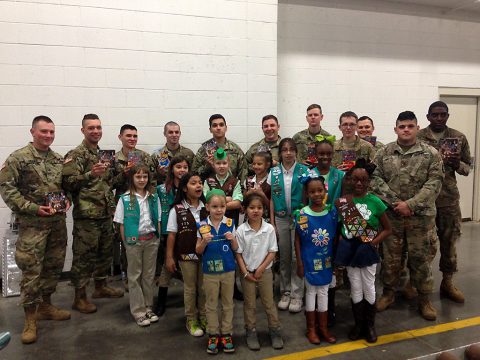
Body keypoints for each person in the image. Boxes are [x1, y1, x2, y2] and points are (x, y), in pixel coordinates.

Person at [0, 116, 71, 344]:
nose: (48, 136)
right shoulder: (18, 158)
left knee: (53, 267)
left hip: (56, 225)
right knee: (32, 272)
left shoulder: (58, 159)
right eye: (44, 132)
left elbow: (66, 186)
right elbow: (7, 189)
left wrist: (67, 200)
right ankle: (30, 318)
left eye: (51, 132)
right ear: (32, 131)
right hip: (33, 226)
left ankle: (46, 306)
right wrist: (32, 208)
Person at [370, 111, 444, 321]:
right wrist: (396, 203)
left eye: (410, 126)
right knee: (391, 259)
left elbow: (435, 183)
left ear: (417, 128)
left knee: (420, 260)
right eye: (402, 126)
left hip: (420, 218)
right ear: (396, 129)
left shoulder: (431, 154)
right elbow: (375, 179)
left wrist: (410, 204)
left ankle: (424, 299)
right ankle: (389, 293)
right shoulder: (384, 153)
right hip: (392, 217)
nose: (406, 130)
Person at [63, 114, 124, 315]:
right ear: (83, 130)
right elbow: (68, 183)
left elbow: (110, 183)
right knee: (84, 256)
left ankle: (100, 287)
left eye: (98, 127)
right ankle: (79, 298)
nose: (95, 131)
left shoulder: (104, 155)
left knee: (104, 252)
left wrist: (124, 173)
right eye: (91, 128)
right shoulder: (76, 154)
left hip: (106, 213)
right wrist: (91, 174)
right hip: (87, 216)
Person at [335, 159, 392, 343]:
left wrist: (373, 242)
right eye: (355, 179)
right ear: (349, 180)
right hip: (350, 249)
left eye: (363, 180)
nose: (359, 183)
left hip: (367, 249)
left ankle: (369, 325)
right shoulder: (344, 202)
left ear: (369, 182)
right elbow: (340, 226)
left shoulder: (375, 201)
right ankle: (358, 324)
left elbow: (387, 229)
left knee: (369, 286)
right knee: (355, 286)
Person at [113, 164, 161, 327]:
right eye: (138, 177)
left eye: (145, 177)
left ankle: (148, 306)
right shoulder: (124, 199)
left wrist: (158, 238)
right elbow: (120, 223)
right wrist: (126, 244)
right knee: (134, 276)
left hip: (151, 240)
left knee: (149, 275)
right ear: (132, 179)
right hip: (133, 241)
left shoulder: (153, 197)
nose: (142, 180)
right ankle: (138, 310)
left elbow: (158, 219)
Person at [235, 191, 283, 351]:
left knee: (269, 303)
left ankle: (275, 330)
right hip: (247, 273)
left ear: (264, 210)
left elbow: (272, 251)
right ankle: (251, 331)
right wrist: (246, 272)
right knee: (249, 304)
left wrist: (261, 269)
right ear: (245, 209)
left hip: (265, 273)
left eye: (259, 208)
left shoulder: (269, 229)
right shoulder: (241, 230)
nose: (255, 211)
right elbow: (238, 254)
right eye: (251, 207)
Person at [113, 124, 157, 291]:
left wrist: (150, 198)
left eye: (134, 136)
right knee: (127, 243)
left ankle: (146, 279)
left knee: (147, 242)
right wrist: (124, 173)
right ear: (120, 137)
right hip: (125, 205)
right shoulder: (114, 159)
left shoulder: (144, 157)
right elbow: (108, 183)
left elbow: (152, 181)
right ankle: (128, 278)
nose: (132, 139)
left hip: (144, 202)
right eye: (128, 136)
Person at [294, 175, 337, 345]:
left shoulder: (332, 212)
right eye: (312, 191)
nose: (317, 194)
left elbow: (334, 238)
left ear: (325, 190)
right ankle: (311, 329)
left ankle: (323, 328)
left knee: (324, 292)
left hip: (326, 260)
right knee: (311, 292)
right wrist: (299, 262)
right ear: (307, 193)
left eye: (320, 190)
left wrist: (335, 260)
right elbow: (297, 240)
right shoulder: (302, 214)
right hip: (309, 260)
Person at [269, 138, 310, 313]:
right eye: (284, 150)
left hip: (298, 218)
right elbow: (271, 198)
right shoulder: (274, 172)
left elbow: (308, 196)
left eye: (291, 149)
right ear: (280, 153)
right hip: (280, 219)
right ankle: (285, 291)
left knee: (296, 256)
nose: (288, 153)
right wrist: (272, 223)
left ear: (296, 152)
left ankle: (297, 294)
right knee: (284, 256)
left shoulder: (304, 171)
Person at [196, 189, 239, 354]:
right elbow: (198, 251)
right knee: (211, 304)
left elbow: (236, 248)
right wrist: (204, 243)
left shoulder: (230, 223)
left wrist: (233, 239)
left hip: (228, 270)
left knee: (228, 303)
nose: (218, 209)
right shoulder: (202, 226)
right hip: (210, 272)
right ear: (207, 207)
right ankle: (213, 333)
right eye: (214, 206)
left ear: (226, 207)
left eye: (222, 206)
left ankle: (226, 333)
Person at [165, 173, 207, 336]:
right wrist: (169, 257)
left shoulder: (207, 206)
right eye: (193, 183)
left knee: (203, 288)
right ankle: (191, 319)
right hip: (186, 255)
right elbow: (171, 235)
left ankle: (204, 316)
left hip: (205, 255)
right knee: (190, 288)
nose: (198, 186)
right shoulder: (177, 209)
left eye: (200, 182)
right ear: (184, 188)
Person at [311, 138, 345, 326]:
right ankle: (314, 305)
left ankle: (329, 307)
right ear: (315, 155)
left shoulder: (340, 175)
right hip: (315, 225)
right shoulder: (309, 174)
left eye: (328, 154)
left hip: (334, 225)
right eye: (321, 154)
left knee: (331, 266)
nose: (324, 157)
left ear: (333, 155)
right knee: (317, 263)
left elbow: (343, 201)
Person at [155, 155, 190, 316]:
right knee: (166, 267)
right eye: (178, 167)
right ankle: (160, 302)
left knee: (188, 266)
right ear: (172, 169)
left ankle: (193, 298)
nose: (182, 170)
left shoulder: (191, 187)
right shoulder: (162, 189)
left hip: (186, 231)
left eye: (185, 167)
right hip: (168, 233)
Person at [192, 114, 247, 182]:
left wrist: (241, 191)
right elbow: (194, 174)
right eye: (215, 125)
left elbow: (243, 173)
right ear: (210, 130)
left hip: (231, 189)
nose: (218, 128)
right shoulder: (203, 149)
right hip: (209, 190)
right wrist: (207, 166)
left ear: (226, 128)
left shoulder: (235, 149)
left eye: (221, 125)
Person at [244, 151, 273, 222]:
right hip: (249, 220)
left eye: (259, 164)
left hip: (266, 220)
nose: (256, 166)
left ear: (267, 165)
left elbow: (272, 206)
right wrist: (248, 193)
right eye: (254, 164)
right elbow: (243, 203)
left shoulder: (272, 181)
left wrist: (262, 195)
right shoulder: (248, 180)